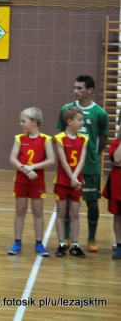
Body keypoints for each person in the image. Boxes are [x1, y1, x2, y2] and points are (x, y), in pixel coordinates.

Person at [56, 75, 108, 252]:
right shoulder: (66, 109)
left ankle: (91, 238)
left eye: (79, 88)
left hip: (90, 166)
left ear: (90, 90)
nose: (75, 91)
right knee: (70, 203)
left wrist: (91, 155)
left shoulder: (100, 113)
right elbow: (61, 137)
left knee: (92, 202)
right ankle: (68, 237)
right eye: (74, 87)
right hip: (69, 167)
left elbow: (103, 138)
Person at [7, 108, 55, 256]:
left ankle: (39, 244)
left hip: (37, 181)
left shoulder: (46, 139)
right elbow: (13, 159)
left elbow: (51, 160)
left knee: (38, 212)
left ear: (34, 122)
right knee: (20, 211)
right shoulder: (19, 139)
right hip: (21, 180)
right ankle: (17, 242)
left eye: (23, 121)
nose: (20, 124)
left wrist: (33, 167)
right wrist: (25, 169)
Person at [54, 106, 88, 258]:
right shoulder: (60, 138)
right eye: (79, 120)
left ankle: (75, 244)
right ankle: (61, 243)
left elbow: (81, 160)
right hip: (62, 181)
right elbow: (63, 161)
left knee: (74, 213)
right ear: (69, 121)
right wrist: (72, 177)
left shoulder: (83, 139)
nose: (82, 123)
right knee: (61, 212)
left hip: (77, 182)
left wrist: (75, 178)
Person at [105, 131, 121, 259]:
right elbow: (116, 160)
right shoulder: (116, 143)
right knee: (118, 215)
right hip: (118, 186)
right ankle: (119, 245)